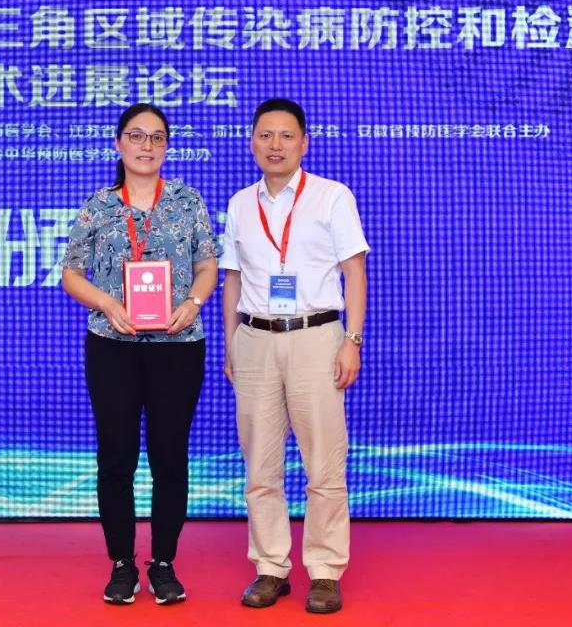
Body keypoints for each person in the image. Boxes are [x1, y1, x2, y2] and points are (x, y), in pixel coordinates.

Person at [62, 103, 218, 605]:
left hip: (178, 347)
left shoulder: (188, 201)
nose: (146, 146)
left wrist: (193, 304)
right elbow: (71, 274)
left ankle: (164, 563)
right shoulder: (98, 206)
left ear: (166, 147)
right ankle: (122, 563)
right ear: (118, 144)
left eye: (156, 137)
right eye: (136, 136)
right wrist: (108, 303)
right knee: (117, 457)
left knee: (170, 456)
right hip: (113, 347)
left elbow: (208, 265)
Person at [219, 98, 368, 613]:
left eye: (286, 135)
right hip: (255, 340)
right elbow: (232, 279)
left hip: (316, 337)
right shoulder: (241, 203)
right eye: (265, 135)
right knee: (260, 467)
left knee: (323, 464)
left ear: (304, 142)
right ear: (252, 142)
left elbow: (354, 273)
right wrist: (232, 343)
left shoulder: (331, 196)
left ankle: (324, 571)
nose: (275, 145)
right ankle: (270, 567)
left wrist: (352, 340)